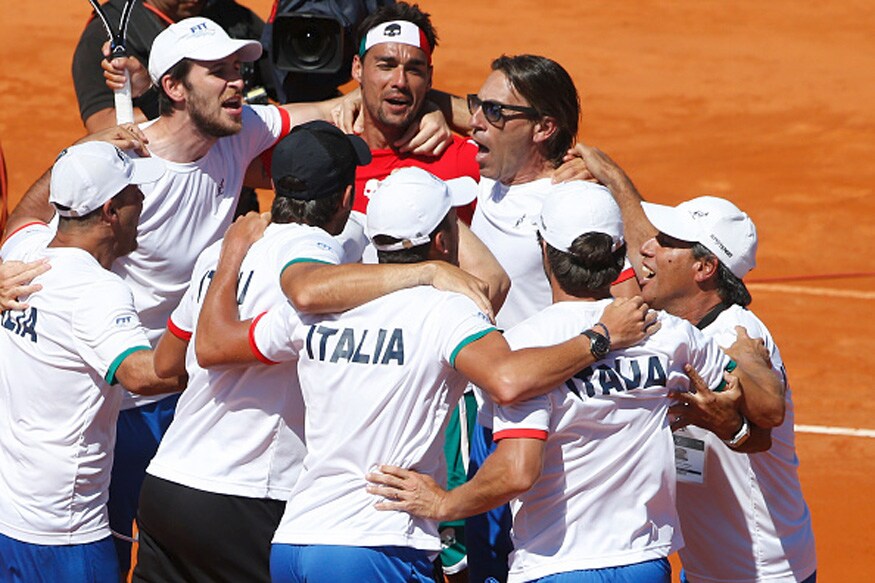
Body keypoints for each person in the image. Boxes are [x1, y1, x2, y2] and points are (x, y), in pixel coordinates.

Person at [7, 16, 372, 573]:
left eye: (238, 70)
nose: (239, 83)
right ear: (174, 88)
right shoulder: (121, 171)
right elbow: (39, 225)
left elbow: (321, 110)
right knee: (103, 543)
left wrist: (440, 112)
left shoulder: (239, 125)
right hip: (124, 394)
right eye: (220, 72)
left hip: (188, 389)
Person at [196, 167, 658, 582]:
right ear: (441, 240)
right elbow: (510, 379)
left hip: (296, 542)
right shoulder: (446, 313)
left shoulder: (321, 310)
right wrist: (600, 337)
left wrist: (231, 256)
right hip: (378, 544)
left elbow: (214, 345)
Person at [133, 121, 494, 582]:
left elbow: (167, 365)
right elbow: (305, 289)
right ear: (345, 199)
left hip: (170, 485)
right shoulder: (329, 253)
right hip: (251, 494)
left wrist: (230, 263)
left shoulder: (222, 252)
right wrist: (426, 267)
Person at [366, 181, 747, 583]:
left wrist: (443, 504)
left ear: (544, 249)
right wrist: (747, 379)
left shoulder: (522, 349)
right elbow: (751, 398)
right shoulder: (669, 333)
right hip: (644, 565)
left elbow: (516, 472)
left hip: (556, 565)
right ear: (619, 255)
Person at [574, 144, 817, 583]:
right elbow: (641, 245)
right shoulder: (676, 323)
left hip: (761, 573)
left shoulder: (738, 336)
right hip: (707, 570)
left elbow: (769, 412)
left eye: (666, 242)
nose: (646, 248)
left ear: (704, 267)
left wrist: (735, 418)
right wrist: (612, 177)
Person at [0, 142, 184, 582]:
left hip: (9, 519)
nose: (143, 201)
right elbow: (145, 375)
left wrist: (71, 156)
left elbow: (22, 216)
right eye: (134, 193)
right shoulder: (97, 291)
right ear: (110, 211)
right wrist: (221, 347)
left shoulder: (22, 254)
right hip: (65, 538)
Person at [73, 0, 271, 133]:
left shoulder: (232, 16)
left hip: (232, 179)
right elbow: (103, 125)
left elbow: (282, 81)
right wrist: (204, 107)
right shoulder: (105, 33)